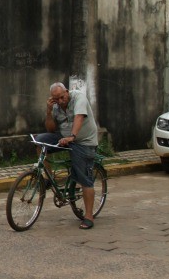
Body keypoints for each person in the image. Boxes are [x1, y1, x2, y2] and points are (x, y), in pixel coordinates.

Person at [36, 82, 99, 229]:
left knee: (84, 178)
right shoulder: (56, 106)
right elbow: (51, 129)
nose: (60, 101)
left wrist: (72, 136)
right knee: (40, 142)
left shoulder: (79, 98)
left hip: (83, 141)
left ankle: (89, 216)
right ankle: (48, 178)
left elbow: (79, 117)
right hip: (64, 137)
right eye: (56, 99)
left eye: (62, 97)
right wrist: (48, 111)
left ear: (66, 91)